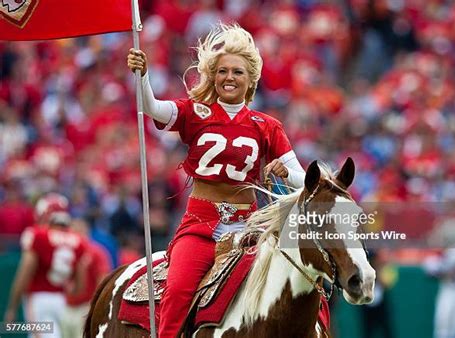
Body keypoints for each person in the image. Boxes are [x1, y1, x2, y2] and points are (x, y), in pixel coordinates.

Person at [127, 23, 315, 337]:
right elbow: (152, 108)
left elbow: (306, 180)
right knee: (176, 292)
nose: (229, 78)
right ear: (213, 75)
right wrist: (143, 76)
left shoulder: (267, 125)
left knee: (302, 283)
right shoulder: (194, 112)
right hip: (201, 225)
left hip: (249, 230)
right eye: (223, 71)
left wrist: (287, 173)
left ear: (250, 80)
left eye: (238, 72)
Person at [4, 193, 86, 338]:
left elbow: (25, 273)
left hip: (38, 300)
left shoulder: (37, 235)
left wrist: (12, 307)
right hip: (63, 301)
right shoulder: (77, 239)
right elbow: (80, 284)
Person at [61, 218, 112, 338]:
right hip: (66, 305)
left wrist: (95, 307)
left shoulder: (95, 251)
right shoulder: (67, 250)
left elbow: (103, 280)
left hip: (85, 307)